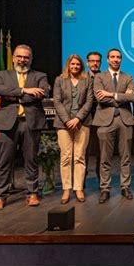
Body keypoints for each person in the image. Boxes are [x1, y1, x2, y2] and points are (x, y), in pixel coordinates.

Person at [0, 44, 50, 211]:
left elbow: (43, 93)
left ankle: (32, 193)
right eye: (19, 56)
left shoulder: (40, 75)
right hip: (7, 123)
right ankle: (0, 196)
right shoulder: (1, 74)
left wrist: (12, 96)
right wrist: (25, 90)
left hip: (30, 122)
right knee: (4, 161)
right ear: (13, 58)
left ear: (31, 59)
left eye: (26, 57)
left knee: (31, 159)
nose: (22, 59)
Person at [93, 48, 134, 203]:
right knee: (105, 157)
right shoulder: (99, 77)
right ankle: (105, 188)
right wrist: (122, 98)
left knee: (126, 157)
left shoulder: (128, 77)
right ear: (107, 59)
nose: (116, 59)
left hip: (124, 120)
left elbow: (132, 97)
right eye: (113, 57)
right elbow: (100, 98)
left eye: (118, 57)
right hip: (105, 121)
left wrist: (111, 94)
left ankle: (125, 187)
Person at [53, 54, 93, 204]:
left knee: (79, 156)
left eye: (78, 64)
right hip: (63, 124)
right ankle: (66, 189)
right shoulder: (59, 80)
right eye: (73, 64)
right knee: (65, 157)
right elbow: (57, 101)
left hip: (82, 123)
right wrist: (68, 120)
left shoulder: (86, 80)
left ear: (81, 66)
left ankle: (78, 188)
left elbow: (89, 101)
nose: (75, 67)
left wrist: (78, 118)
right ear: (68, 65)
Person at [84, 51, 102, 186]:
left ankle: (102, 181)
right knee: (83, 152)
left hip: (102, 119)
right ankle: (81, 182)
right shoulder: (82, 77)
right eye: (92, 61)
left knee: (101, 153)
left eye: (97, 61)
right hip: (84, 119)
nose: (95, 63)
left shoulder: (105, 77)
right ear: (87, 62)